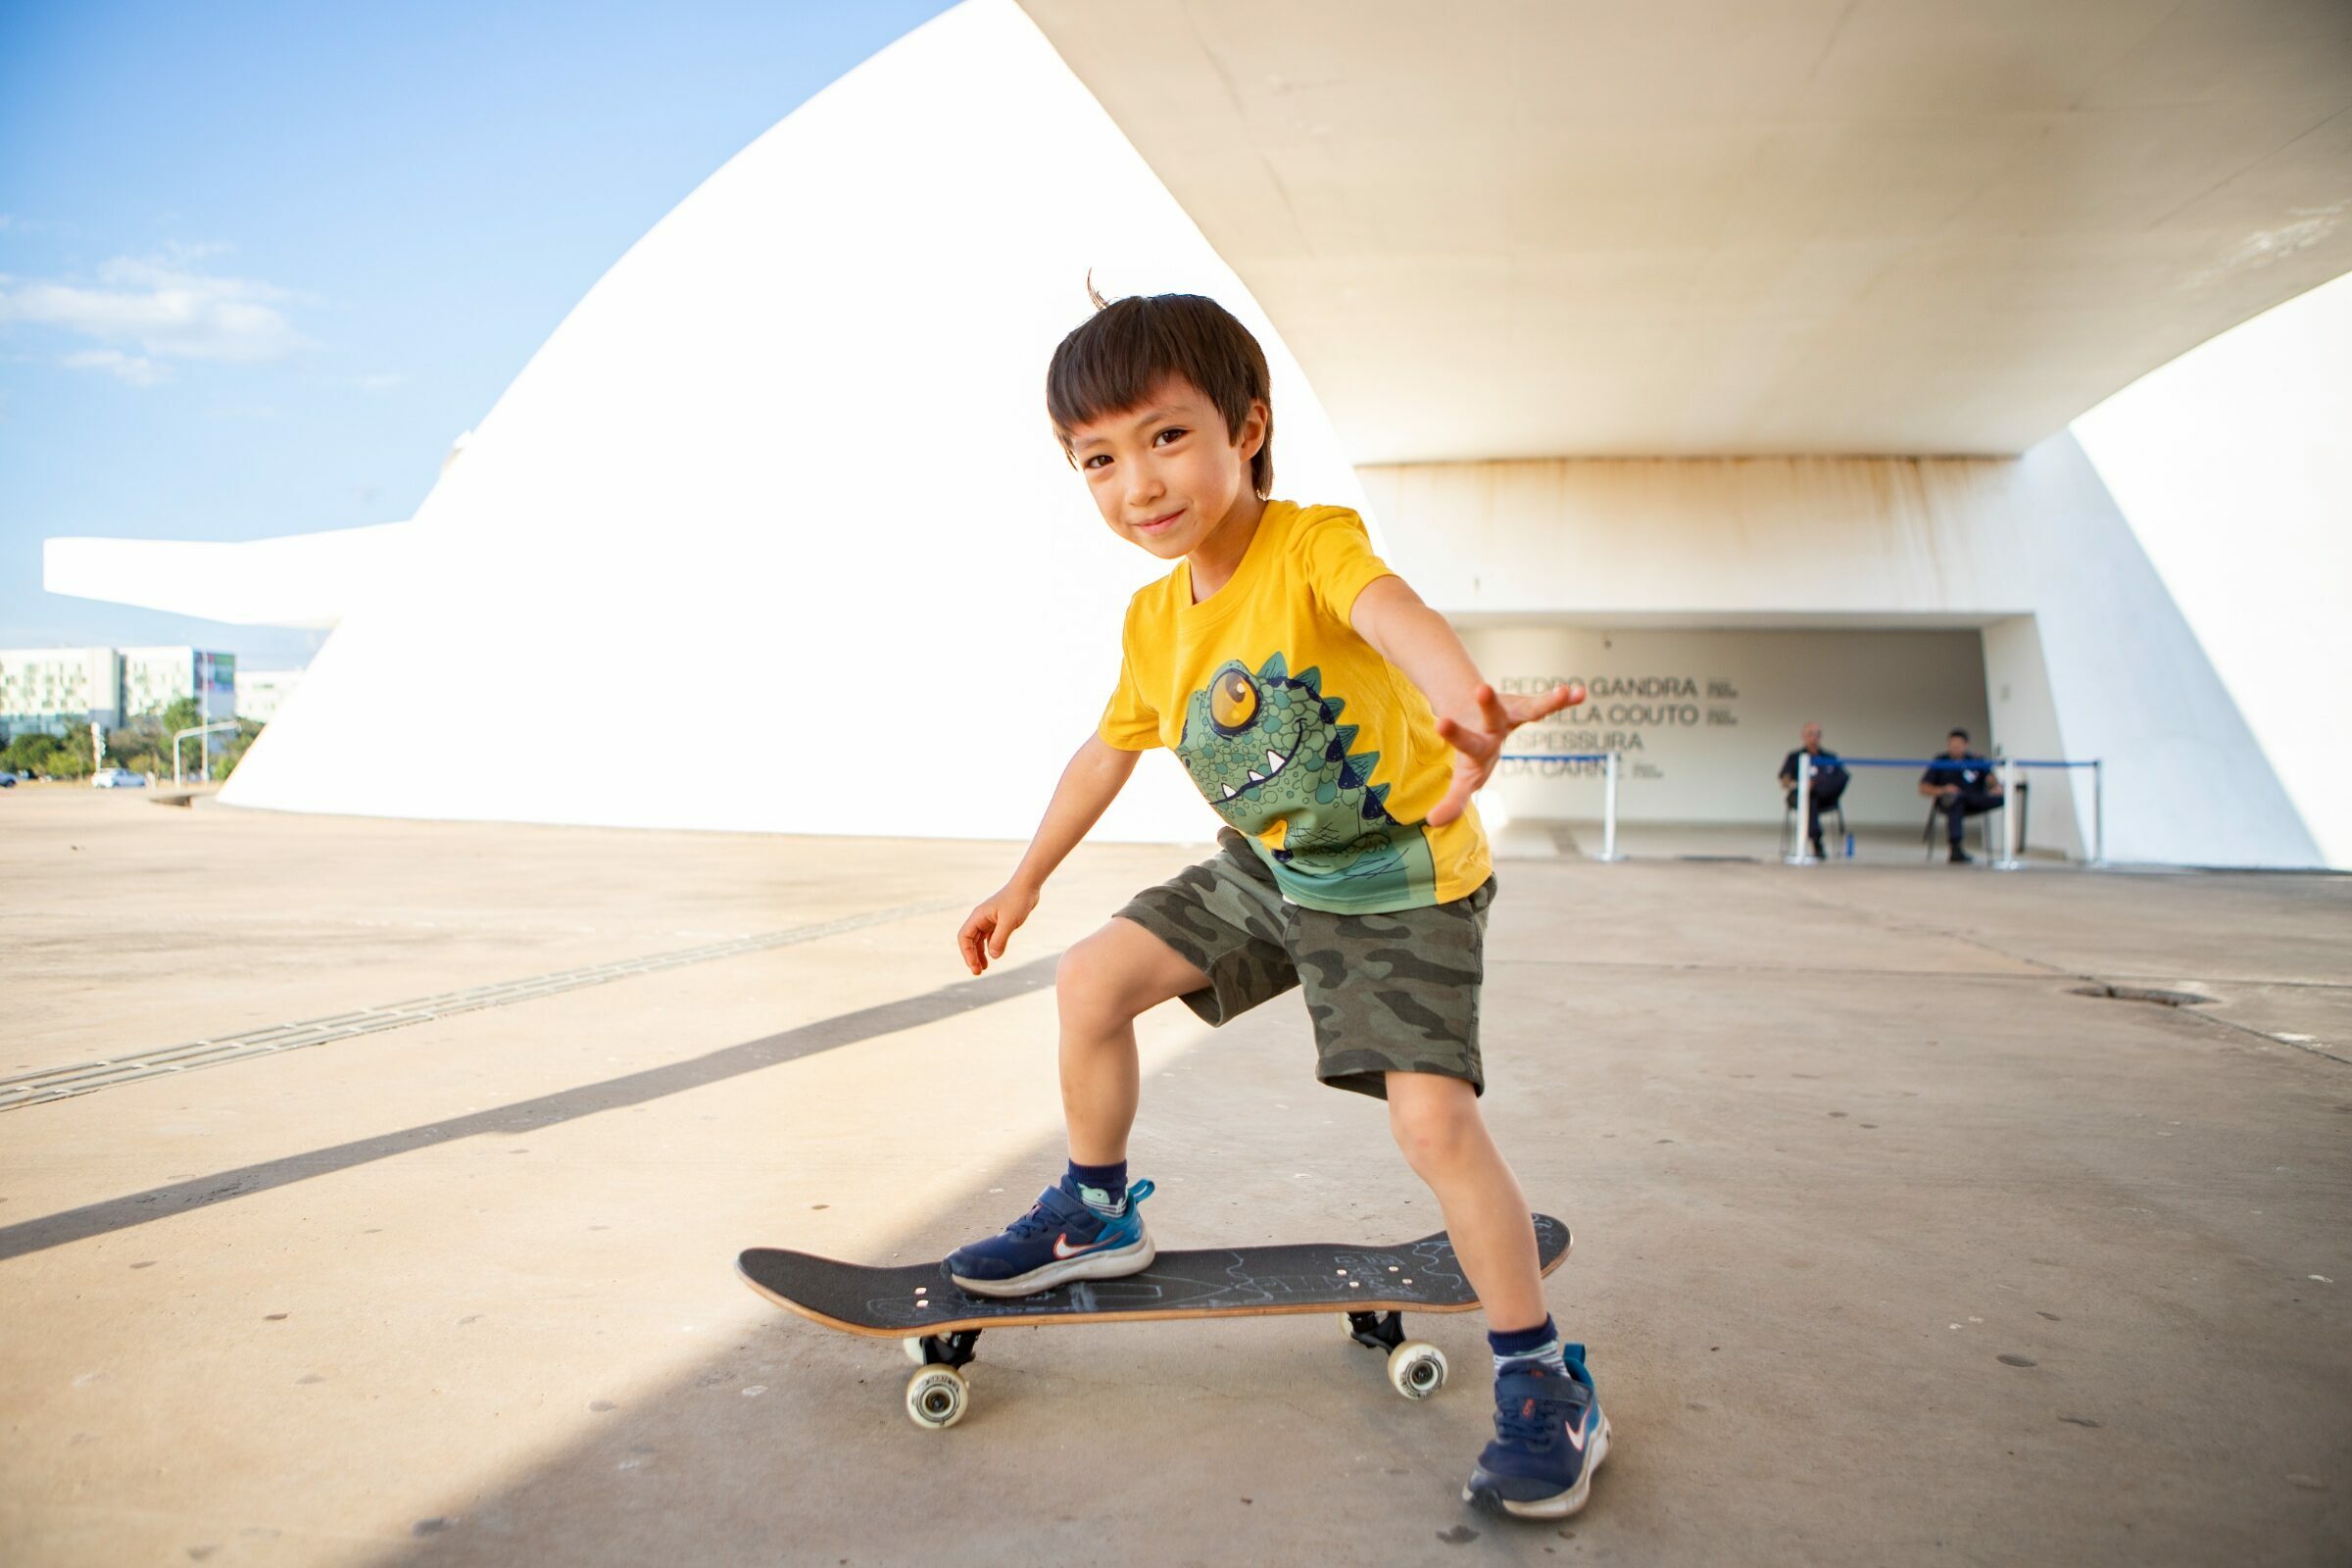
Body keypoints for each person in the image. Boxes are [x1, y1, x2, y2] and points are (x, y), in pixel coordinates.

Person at [948, 292, 1607, 1519]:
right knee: (1091, 980)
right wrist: (1024, 877)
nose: (1137, 483)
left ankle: (1543, 1373)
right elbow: (1106, 751)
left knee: (1431, 1127)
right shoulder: (1153, 619)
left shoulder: (1311, 545)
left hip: (1400, 880)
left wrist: (1465, 697)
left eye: (1166, 437)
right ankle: (1095, 1209)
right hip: (1267, 868)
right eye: (1099, 459)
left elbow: (1390, 611)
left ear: (1247, 428)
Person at [1919, 727, 2002, 863]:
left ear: (1966, 745)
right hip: (1949, 801)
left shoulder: (1975, 760)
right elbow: (1923, 788)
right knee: (1956, 800)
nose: (1955, 748)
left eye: (1958, 745)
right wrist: (1944, 790)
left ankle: (2008, 849)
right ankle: (1956, 848)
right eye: (1952, 744)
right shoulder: (1941, 761)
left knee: (2002, 798)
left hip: (1974, 799)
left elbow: (1991, 781)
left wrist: (1995, 786)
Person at [1777, 721, 1849, 858]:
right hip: (1798, 796)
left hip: (1824, 798)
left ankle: (1816, 841)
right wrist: (1802, 785)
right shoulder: (1794, 757)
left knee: (1813, 797)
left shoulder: (1830, 757)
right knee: (1809, 799)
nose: (1813, 737)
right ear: (1803, 736)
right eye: (1810, 734)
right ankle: (1816, 841)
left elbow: (1841, 778)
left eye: (1816, 734)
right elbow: (1784, 780)